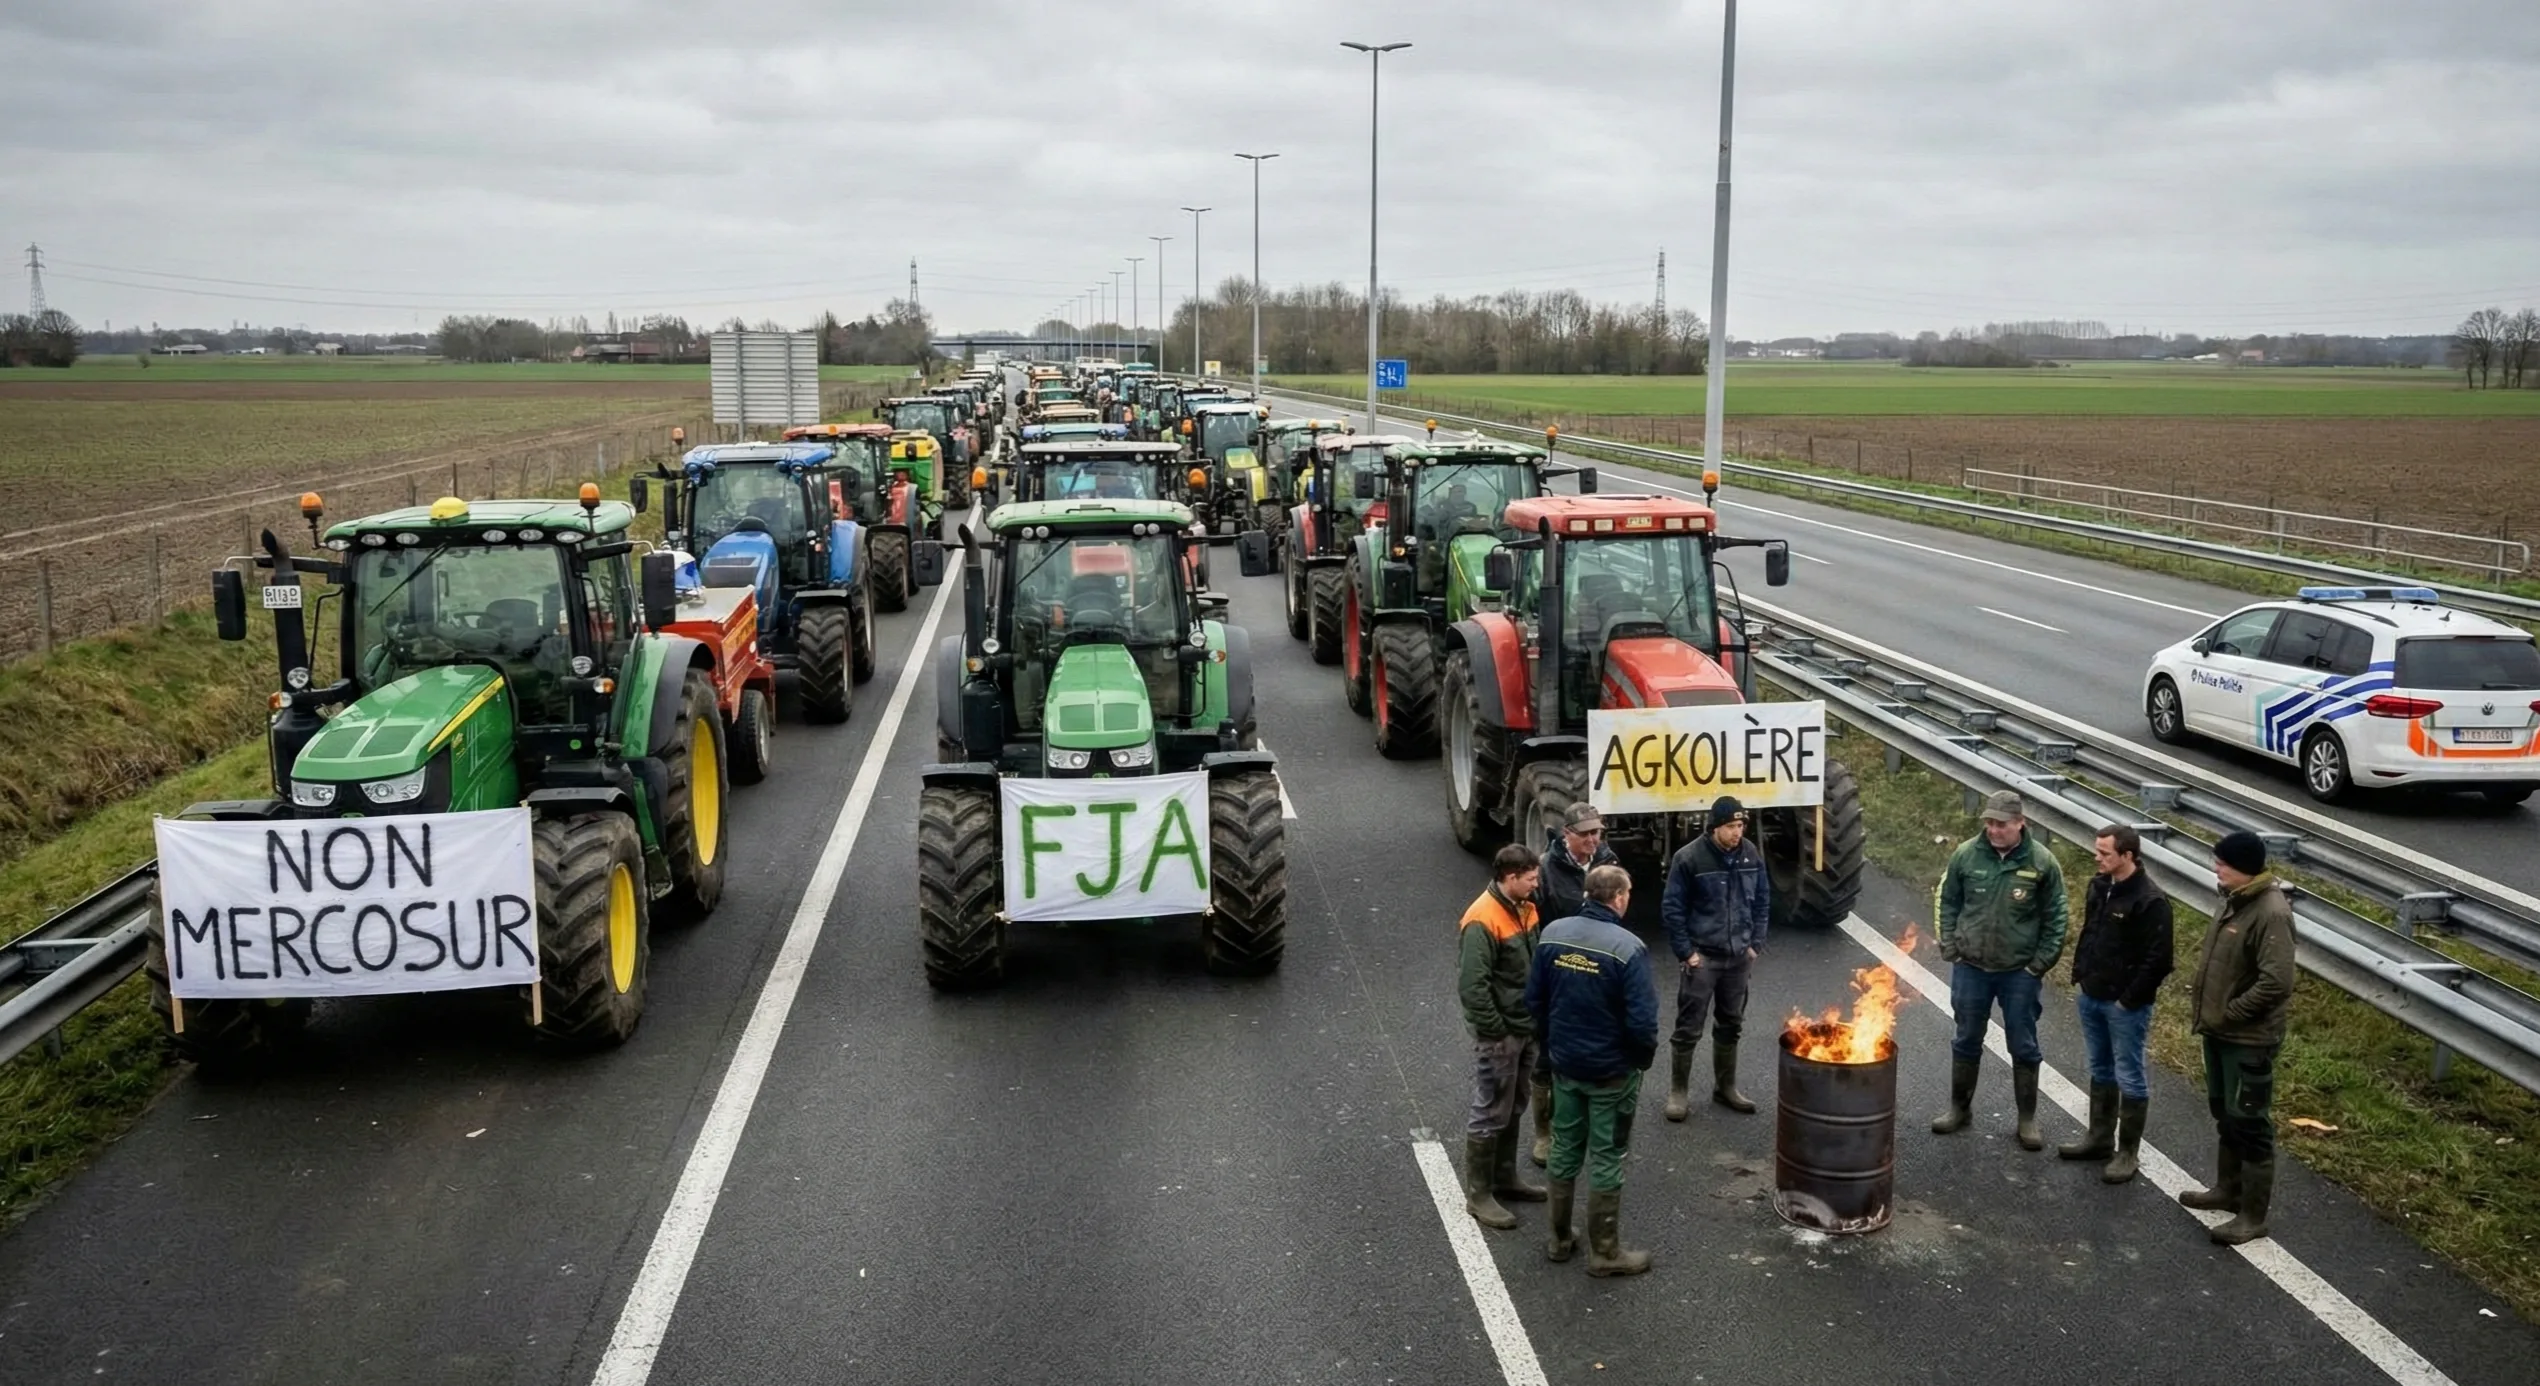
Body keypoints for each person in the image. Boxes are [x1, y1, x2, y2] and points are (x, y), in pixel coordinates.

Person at [1525, 864, 1660, 1277]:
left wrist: (1554, 1045)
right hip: (1611, 1073)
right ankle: (1604, 1252)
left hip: (1565, 1065)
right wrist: (1640, 1060)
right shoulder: (1629, 948)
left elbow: (1535, 1001)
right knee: (1606, 1155)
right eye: (1628, 893)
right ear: (1618, 897)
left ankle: (1559, 1240)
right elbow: (1642, 1022)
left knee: (1564, 1147)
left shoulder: (1552, 934)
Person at [1929, 790, 2070, 1149]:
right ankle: (1959, 1109)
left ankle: (2027, 1120)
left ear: (2020, 823)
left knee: (2023, 1044)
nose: (1993, 830)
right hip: (1971, 967)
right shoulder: (1966, 854)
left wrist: (2038, 965)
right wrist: (1950, 946)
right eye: (1989, 823)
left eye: (2001, 824)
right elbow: (1949, 901)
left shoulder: (2042, 863)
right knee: (1966, 1038)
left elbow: (2057, 917)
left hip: (2018, 973)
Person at [2180, 831, 2297, 1245]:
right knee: (2225, 1112)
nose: (2216, 867)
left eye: (2223, 862)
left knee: (2249, 1121)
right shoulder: (2234, 899)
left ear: (2245, 867)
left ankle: (2253, 1214)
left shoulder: (2271, 912)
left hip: (2247, 1038)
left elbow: (2277, 981)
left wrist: (2233, 1012)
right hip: (2220, 1032)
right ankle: (2227, 1189)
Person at [2060, 825, 2175, 1183]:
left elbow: (2159, 960)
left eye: (2105, 853)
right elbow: (2090, 933)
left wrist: (2128, 1001)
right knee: (2100, 1068)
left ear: (2128, 855)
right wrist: (2082, 975)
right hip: (2091, 994)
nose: (2096, 857)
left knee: (2130, 1074)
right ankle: (2098, 1139)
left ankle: (2127, 1154)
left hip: (2125, 1006)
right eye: (2097, 850)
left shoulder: (2151, 901)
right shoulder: (2099, 886)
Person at [1658, 795, 1770, 1122]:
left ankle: (1725, 1087)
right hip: (1703, 958)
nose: (1738, 832)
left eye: (1741, 825)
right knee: (1688, 1027)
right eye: (1731, 826)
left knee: (1731, 1023)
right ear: (1715, 827)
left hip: (1739, 958)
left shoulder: (1750, 854)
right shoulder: (1688, 858)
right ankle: (1679, 1092)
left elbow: (1762, 901)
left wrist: (1755, 945)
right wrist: (1687, 953)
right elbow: (1673, 909)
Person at [1457, 843, 1548, 1231]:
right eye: (1531, 878)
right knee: (1492, 1109)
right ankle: (1479, 1195)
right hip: (1502, 1034)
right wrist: (1497, 1030)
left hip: (1525, 1027)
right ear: (1511, 877)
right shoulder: (1482, 919)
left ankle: (1505, 1177)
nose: (1536, 884)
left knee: (1514, 1104)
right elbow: (1473, 987)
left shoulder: (1526, 908)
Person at [1529, 800, 1620, 1166]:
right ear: (1566, 834)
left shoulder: (1609, 862)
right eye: (1585, 834)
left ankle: (1583, 1123)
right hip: (1561, 972)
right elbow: (1535, 926)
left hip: (1597, 974)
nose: (1593, 840)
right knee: (1547, 1053)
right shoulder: (1546, 870)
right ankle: (1544, 1133)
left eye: (1597, 832)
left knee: (1593, 1046)